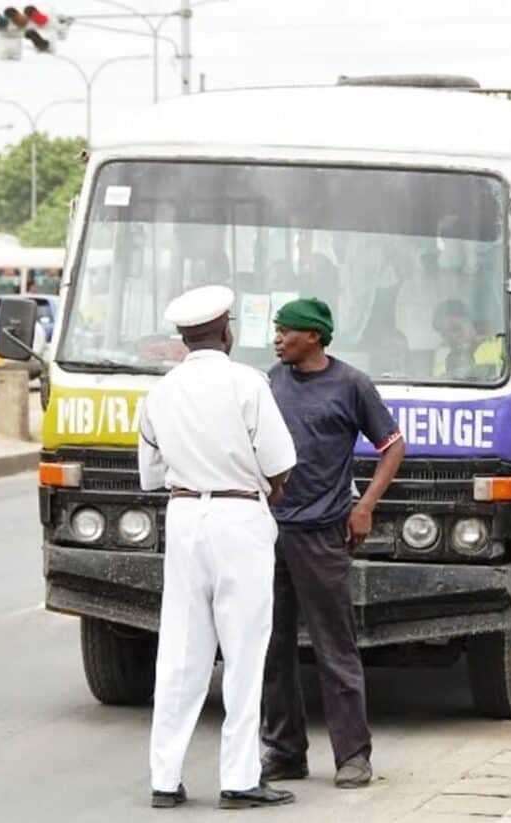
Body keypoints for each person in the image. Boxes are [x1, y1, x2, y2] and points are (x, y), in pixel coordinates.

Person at [139, 285, 297, 809]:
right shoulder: (246, 382)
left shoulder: (160, 392)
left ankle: (165, 780)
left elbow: (151, 474)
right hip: (238, 518)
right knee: (246, 651)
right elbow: (280, 465)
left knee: (181, 653)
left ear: (184, 339)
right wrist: (256, 492)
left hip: (184, 516)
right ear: (226, 330)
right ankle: (239, 778)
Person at [261, 297, 405, 789]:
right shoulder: (268, 383)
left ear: (314, 338)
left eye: (286, 331)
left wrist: (364, 505)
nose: (277, 339)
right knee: (271, 648)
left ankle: (353, 756)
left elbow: (392, 445)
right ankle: (283, 752)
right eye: (277, 331)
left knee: (334, 648)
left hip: (323, 536)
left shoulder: (350, 384)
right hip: (268, 533)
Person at [431, 299, 504, 379]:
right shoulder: (442, 355)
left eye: (456, 328)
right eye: (445, 335)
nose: (453, 337)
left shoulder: (499, 344)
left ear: (471, 322)